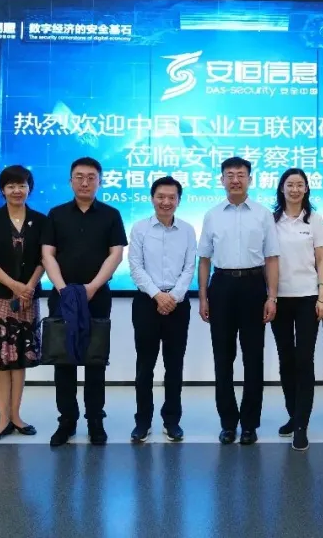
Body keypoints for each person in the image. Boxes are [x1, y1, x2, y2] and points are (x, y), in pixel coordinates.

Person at [41, 157, 127, 447]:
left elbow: (116, 254)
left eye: (91, 177)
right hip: (62, 296)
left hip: (97, 296)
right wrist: (63, 289)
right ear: (70, 181)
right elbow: (47, 254)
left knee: (95, 360)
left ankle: (95, 421)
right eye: (79, 177)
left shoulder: (111, 215)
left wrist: (92, 287)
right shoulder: (56, 214)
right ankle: (66, 421)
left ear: (99, 182)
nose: (85, 182)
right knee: (63, 360)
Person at [197, 157, 280, 446]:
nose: (235, 180)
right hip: (221, 286)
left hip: (254, 285)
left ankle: (250, 424)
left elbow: (272, 258)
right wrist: (203, 296)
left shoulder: (263, 214)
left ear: (249, 179)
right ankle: (228, 423)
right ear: (222, 180)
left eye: (240, 175)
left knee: (253, 357)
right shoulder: (212, 215)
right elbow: (204, 260)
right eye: (229, 175)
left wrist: (272, 296)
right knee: (223, 357)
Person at [0, 165, 46, 445]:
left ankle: (16, 416)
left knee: (19, 361)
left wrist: (28, 286)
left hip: (28, 298)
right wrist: (15, 286)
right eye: (11, 186)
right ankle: (2, 419)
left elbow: (45, 258)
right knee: (1, 360)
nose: (17, 190)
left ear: (30, 188)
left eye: (22, 185)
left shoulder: (40, 221)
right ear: (2, 190)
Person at [128, 176, 197, 444]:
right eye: (160, 196)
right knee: (144, 366)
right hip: (146, 302)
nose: (166, 202)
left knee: (174, 365)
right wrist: (158, 295)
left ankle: (172, 421)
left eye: (171, 197)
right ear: (152, 198)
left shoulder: (188, 230)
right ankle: (142, 421)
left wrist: (173, 297)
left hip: (178, 305)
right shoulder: (140, 228)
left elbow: (189, 268)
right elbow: (136, 267)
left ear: (179, 200)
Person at [271, 168, 323, 451]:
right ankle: (292, 415)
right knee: (286, 359)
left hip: (308, 298)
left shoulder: (314, 219)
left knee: (304, 360)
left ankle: (301, 426)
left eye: (300, 185)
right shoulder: (271, 220)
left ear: (306, 189)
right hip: (279, 299)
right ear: (281, 188)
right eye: (289, 184)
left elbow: (322, 260)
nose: (294, 189)